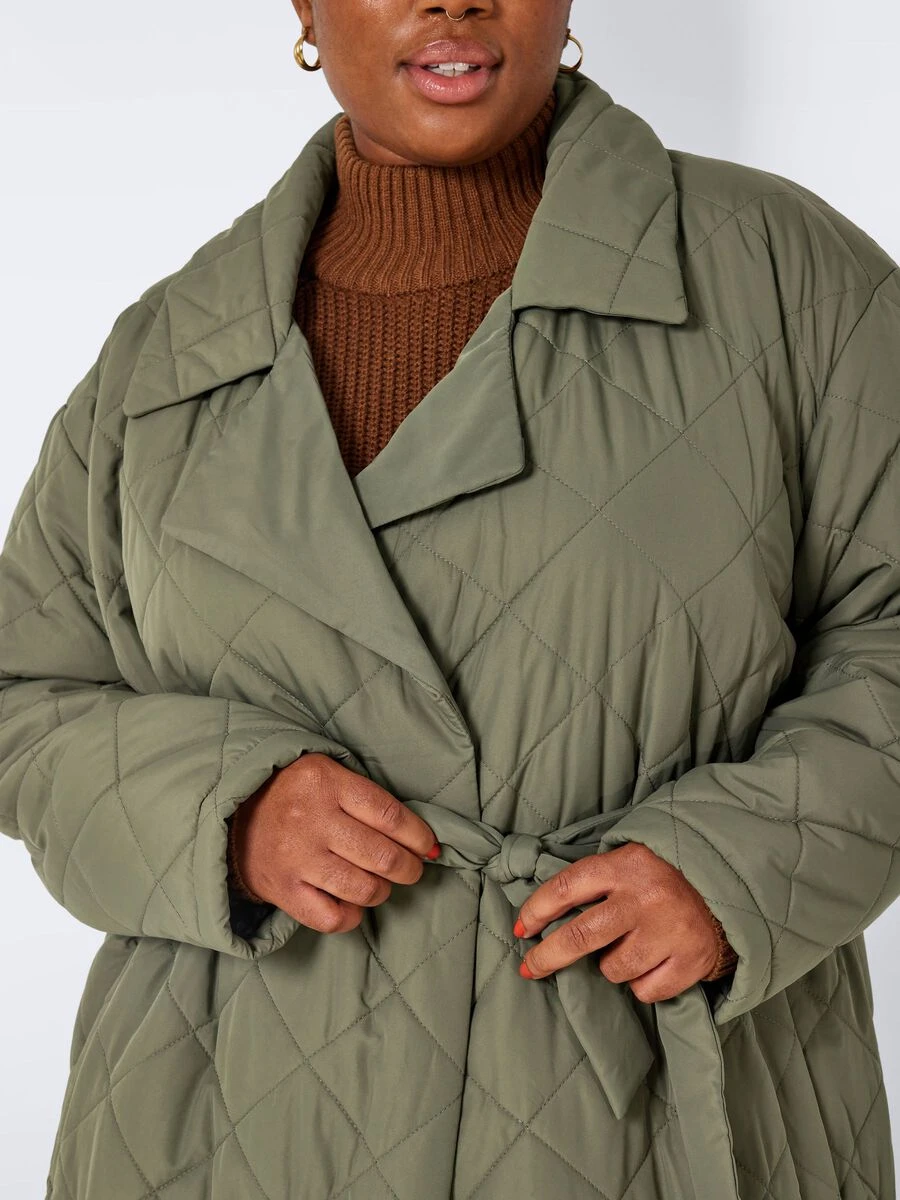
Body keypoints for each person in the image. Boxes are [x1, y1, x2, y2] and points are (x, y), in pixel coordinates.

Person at [2, 0, 899, 1196]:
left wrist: (742, 865)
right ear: (305, 7)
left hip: (643, 1100)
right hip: (226, 1122)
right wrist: (220, 812)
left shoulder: (783, 276)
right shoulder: (166, 353)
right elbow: (24, 694)